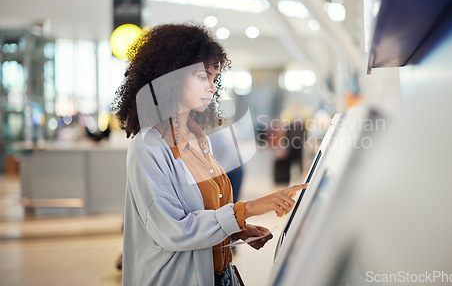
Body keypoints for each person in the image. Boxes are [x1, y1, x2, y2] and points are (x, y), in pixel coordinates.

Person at [111, 23, 307, 286]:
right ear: (171, 76)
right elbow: (174, 230)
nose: (212, 88)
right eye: (203, 77)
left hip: (221, 277)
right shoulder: (148, 147)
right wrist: (246, 210)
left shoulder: (199, 138)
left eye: (214, 79)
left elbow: (202, 214)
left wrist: (237, 231)